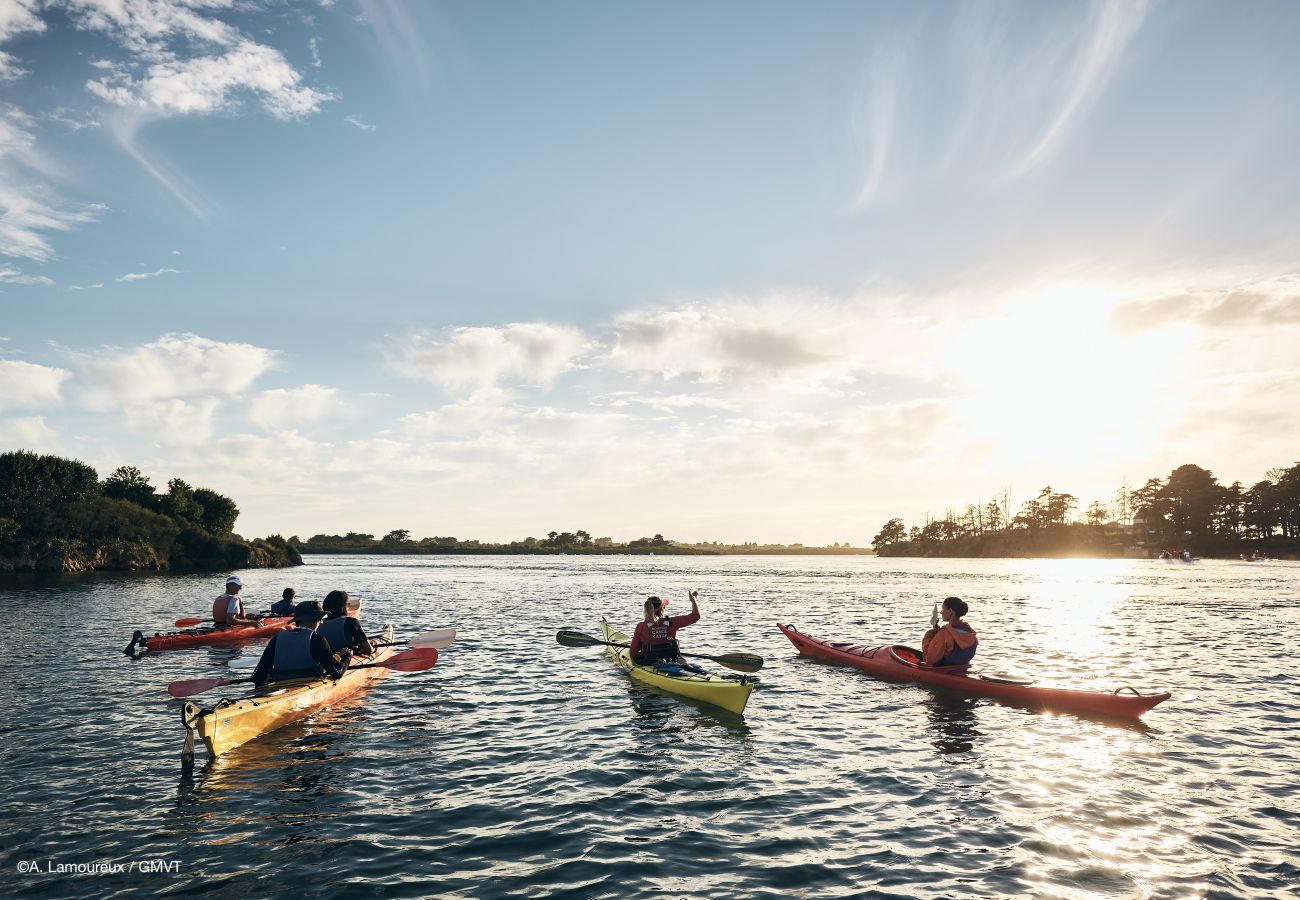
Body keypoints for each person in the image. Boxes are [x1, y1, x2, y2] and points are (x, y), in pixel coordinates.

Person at [252, 601, 350, 687]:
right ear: (313, 620)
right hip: (308, 686)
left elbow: (258, 676)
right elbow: (337, 673)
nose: (321, 623)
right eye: (320, 619)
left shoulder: (277, 638)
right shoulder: (318, 640)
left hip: (280, 685)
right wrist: (346, 657)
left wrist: (262, 689)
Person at [629, 590, 700, 666]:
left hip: (650, 662)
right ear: (662, 609)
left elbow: (633, 653)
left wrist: (642, 653)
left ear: (646, 610)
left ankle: (659, 662)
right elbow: (696, 616)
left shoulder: (641, 626)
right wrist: (694, 601)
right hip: (672, 659)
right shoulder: (671, 622)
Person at [920, 596, 978, 667]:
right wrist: (938, 634)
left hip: (943, 670)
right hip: (962, 668)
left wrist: (929, 634)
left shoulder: (944, 633)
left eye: (943, 609)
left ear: (950, 611)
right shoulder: (970, 631)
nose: (941, 612)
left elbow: (928, 659)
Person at [317, 590, 374, 655]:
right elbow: (369, 650)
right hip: (346, 657)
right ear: (343, 606)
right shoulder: (351, 622)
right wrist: (372, 646)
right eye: (348, 604)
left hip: (326, 657)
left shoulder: (318, 623)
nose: (349, 606)